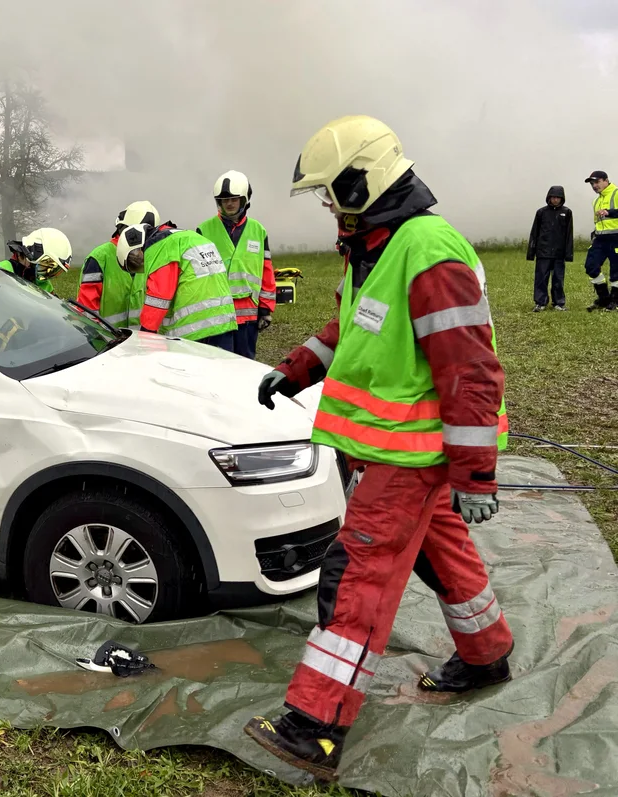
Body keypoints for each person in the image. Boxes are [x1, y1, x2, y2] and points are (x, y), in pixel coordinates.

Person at [247, 116, 513, 783]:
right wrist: (302, 365)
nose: (329, 205)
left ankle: (315, 724)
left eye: (332, 190)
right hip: (400, 450)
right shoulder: (376, 244)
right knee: (440, 546)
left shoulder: (429, 249)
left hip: (414, 454)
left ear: (365, 179)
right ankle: (487, 654)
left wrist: (475, 473)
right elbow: (356, 326)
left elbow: (470, 370)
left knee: (359, 574)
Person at [117, 221, 237, 350]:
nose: (141, 265)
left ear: (137, 246)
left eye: (135, 262)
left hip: (195, 329)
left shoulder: (159, 246)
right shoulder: (189, 237)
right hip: (224, 320)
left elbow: (159, 296)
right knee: (222, 368)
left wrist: (145, 333)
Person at [196, 171, 277, 358]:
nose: (229, 204)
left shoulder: (258, 230)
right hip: (217, 314)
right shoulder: (203, 230)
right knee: (220, 366)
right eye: (225, 200)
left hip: (248, 315)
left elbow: (266, 271)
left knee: (245, 365)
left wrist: (265, 309)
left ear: (244, 200)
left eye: (234, 199)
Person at [77, 201, 160, 329]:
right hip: (107, 342)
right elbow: (86, 310)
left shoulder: (150, 258)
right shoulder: (99, 258)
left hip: (138, 341)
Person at [525, 186, 572, 312]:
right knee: (541, 279)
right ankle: (540, 302)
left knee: (558, 279)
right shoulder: (541, 212)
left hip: (559, 253)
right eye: (553, 197)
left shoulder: (567, 212)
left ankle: (559, 303)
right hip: (543, 252)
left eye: (558, 197)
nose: (555, 200)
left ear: (562, 198)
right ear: (549, 198)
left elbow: (569, 234)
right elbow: (534, 232)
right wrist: (531, 252)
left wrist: (568, 254)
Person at [0, 228, 73, 293]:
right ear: (31, 254)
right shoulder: (0, 271)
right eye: (47, 266)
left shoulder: (44, 284)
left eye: (53, 271)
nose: (48, 274)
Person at [584, 170, 618, 311]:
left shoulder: (616, 193)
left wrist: (609, 212)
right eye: (592, 183)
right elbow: (598, 222)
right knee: (591, 266)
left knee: (616, 271)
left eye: (597, 182)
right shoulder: (596, 201)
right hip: (600, 239)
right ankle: (604, 299)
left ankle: (616, 301)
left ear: (606, 180)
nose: (594, 186)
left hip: (616, 238)